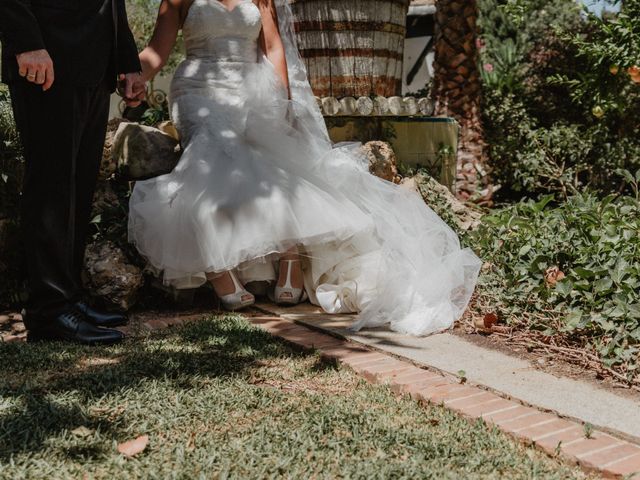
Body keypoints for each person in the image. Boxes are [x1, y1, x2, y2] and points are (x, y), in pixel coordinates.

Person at [127, 0, 482, 336]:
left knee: (270, 162)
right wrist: (134, 75)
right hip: (198, 90)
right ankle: (219, 266)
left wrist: (281, 103)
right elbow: (157, 50)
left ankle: (290, 255)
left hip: (251, 88)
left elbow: (274, 48)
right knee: (211, 154)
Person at [0, 0, 145, 344]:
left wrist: (127, 62)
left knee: (77, 189)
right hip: (47, 53)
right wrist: (27, 42)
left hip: (94, 62)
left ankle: (69, 298)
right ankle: (49, 310)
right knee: (51, 186)